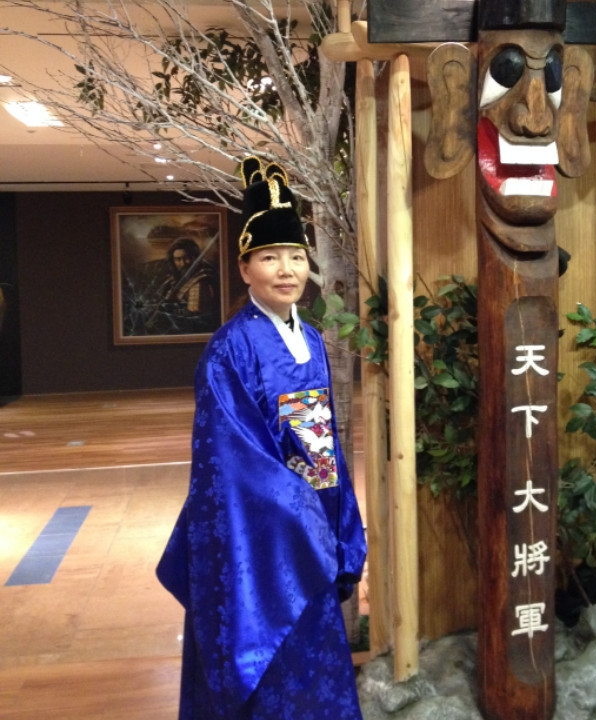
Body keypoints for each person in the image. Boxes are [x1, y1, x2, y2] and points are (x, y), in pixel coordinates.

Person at [156, 157, 367, 720]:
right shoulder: (230, 348)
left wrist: (339, 516)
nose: (286, 270)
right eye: (270, 257)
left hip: (312, 520)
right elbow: (232, 457)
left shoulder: (313, 339)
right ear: (245, 268)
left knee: (317, 659)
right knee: (269, 664)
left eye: (295, 256)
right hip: (263, 533)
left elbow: (322, 443)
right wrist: (304, 516)